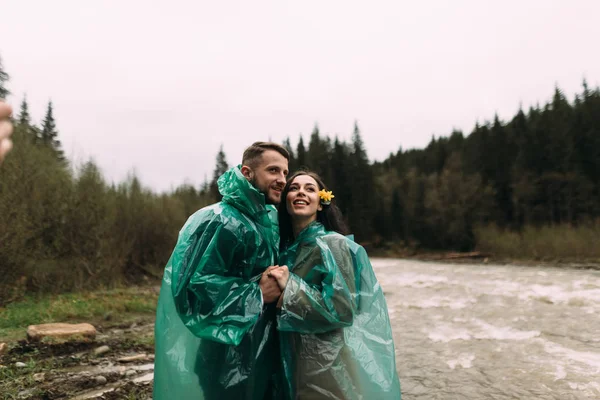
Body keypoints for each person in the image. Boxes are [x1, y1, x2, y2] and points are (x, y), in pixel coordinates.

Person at [153, 142, 290, 400]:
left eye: (285, 172)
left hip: (262, 353)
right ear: (247, 172)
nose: (282, 179)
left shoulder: (266, 221)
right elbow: (193, 290)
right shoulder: (218, 220)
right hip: (225, 361)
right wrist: (256, 293)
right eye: (273, 170)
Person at [269, 171, 402, 400]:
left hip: (325, 366)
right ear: (286, 201)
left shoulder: (334, 245)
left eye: (310, 189)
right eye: (294, 188)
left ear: (321, 204)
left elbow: (342, 309)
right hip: (288, 361)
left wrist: (290, 289)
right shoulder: (282, 249)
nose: (301, 191)